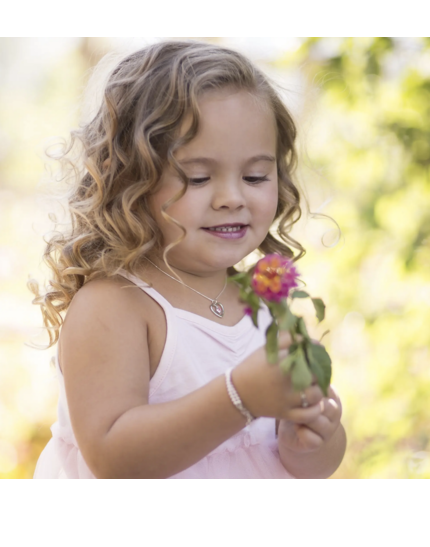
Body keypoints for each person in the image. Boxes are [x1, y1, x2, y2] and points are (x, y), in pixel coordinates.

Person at [32, 40, 346, 479]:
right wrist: (240, 398)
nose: (232, 198)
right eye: (198, 178)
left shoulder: (261, 299)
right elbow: (114, 458)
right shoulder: (115, 305)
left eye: (255, 176)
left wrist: (313, 437)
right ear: (131, 181)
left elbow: (305, 463)